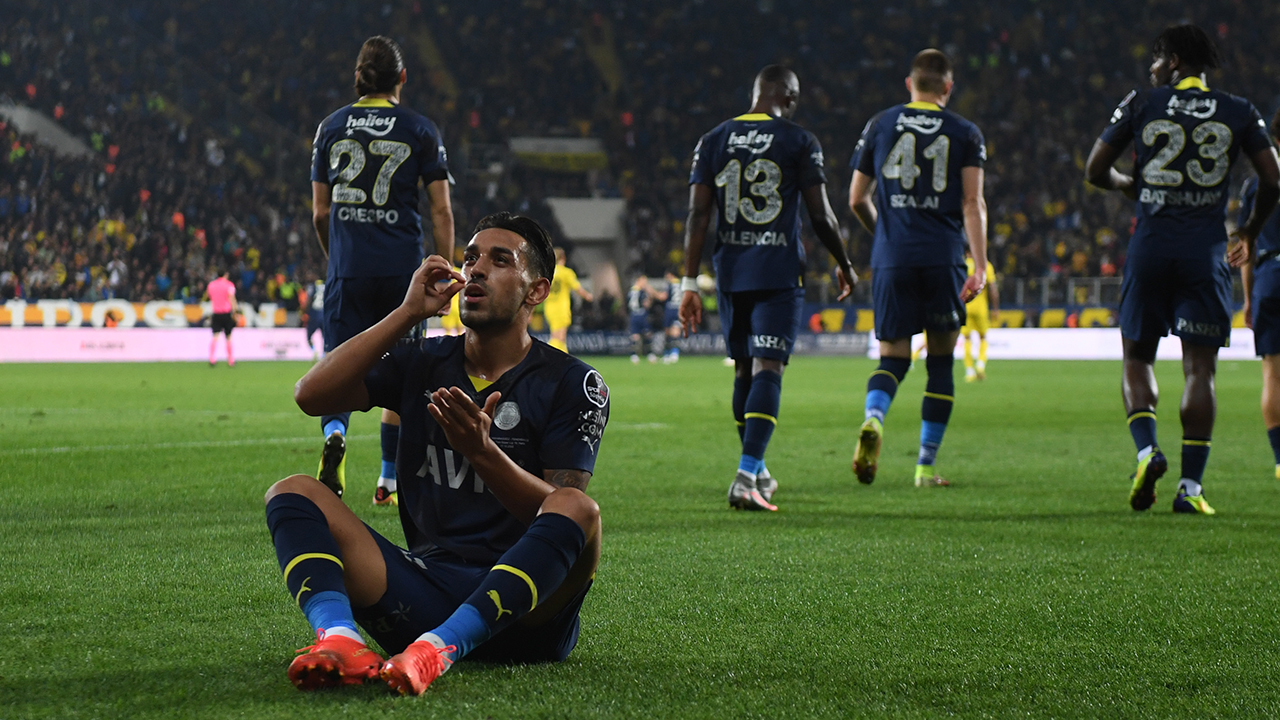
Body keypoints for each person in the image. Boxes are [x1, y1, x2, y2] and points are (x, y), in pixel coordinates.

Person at [268, 212, 606, 695]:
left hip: (528, 613)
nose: (476, 269)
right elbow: (311, 395)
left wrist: (483, 454)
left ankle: (439, 649)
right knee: (293, 492)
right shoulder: (424, 360)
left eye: (500, 260)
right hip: (423, 591)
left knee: (579, 508)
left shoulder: (574, 382)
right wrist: (407, 313)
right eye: (470, 258)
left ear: (536, 291)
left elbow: (559, 512)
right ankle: (341, 640)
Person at [1086, 24, 1279, 514]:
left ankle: (1147, 452)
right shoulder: (1239, 110)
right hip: (1205, 252)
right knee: (1200, 369)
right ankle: (1190, 489)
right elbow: (1273, 178)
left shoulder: (1142, 102)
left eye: (1156, 59)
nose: (1152, 68)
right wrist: (1249, 231)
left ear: (1172, 61)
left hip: (1150, 246)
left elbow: (1094, 170)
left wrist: (1129, 185)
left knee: (1137, 357)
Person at [682, 64, 856, 511]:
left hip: (731, 271)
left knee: (744, 370)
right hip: (778, 270)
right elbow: (821, 215)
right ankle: (745, 477)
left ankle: (756, 470)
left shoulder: (713, 139)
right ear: (790, 97)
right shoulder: (799, 140)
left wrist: (688, 282)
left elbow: (698, 216)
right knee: (768, 369)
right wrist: (844, 263)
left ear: (756, 92)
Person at [311, 35, 456, 507]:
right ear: (402, 78)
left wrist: (337, 261)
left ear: (358, 78)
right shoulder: (420, 129)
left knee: (339, 366)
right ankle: (390, 480)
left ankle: (335, 433)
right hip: (402, 276)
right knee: (404, 373)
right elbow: (440, 211)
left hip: (348, 270)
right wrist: (442, 271)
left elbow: (320, 213)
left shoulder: (331, 127)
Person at [848, 49, 988, 488]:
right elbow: (972, 203)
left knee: (892, 358)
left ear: (909, 84)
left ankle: (874, 417)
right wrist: (980, 265)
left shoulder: (880, 123)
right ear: (948, 87)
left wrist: (886, 235)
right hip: (942, 258)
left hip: (892, 258)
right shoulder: (965, 132)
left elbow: (856, 199)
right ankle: (925, 468)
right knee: (941, 363)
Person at [1229, 108, 1280, 481]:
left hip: (1269, 278)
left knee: (1273, 375)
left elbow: (1246, 249)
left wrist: (1248, 299)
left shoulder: (1255, 186)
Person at [543, 247, 593, 353]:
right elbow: (577, 287)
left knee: (557, 337)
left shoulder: (547, 273)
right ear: (563, 258)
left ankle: (562, 358)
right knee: (559, 337)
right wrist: (587, 296)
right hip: (561, 308)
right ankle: (545, 355)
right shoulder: (566, 273)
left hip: (549, 308)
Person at [960, 249, 999, 382]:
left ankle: (969, 371)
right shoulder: (985, 265)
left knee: (966, 339)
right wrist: (995, 308)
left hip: (966, 306)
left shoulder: (962, 264)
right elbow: (992, 288)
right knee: (983, 337)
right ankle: (980, 365)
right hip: (980, 308)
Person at [206, 269, 238, 367]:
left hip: (216, 313)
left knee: (215, 336)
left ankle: (212, 358)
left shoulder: (211, 285)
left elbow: (209, 296)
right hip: (226, 313)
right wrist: (235, 311)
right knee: (228, 337)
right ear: (225, 274)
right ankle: (230, 359)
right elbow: (231, 298)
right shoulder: (229, 285)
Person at [627, 275, 662, 363]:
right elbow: (646, 304)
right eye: (644, 281)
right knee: (647, 334)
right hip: (642, 314)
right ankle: (650, 354)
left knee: (635, 335)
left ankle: (634, 355)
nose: (645, 283)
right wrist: (650, 297)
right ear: (639, 280)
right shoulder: (642, 292)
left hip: (633, 314)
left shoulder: (631, 291)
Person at [660, 272, 683, 363]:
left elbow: (663, 297)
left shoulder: (670, 284)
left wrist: (650, 290)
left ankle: (667, 354)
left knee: (667, 332)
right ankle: (674, 353)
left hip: (670, 309)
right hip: (679, 309)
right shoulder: (681, 283)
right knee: (676, 330)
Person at [303, 274, 325, 361]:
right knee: (325, 337)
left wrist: (305, 311)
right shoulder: (326, 286)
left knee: (308, 336)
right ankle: (324, 354)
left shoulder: (312, 286)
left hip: (314, 314)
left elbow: (309, 300)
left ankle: (314, 350)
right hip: (324, 314)